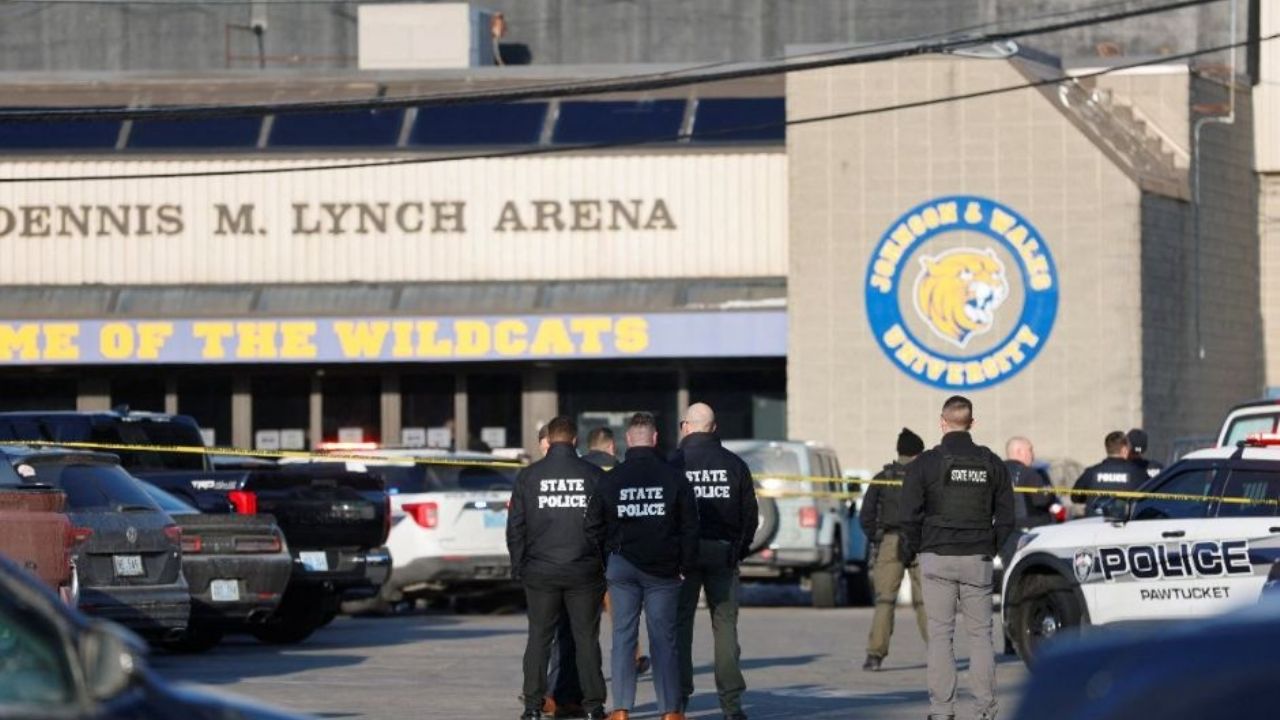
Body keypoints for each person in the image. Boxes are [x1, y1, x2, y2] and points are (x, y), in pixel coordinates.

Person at [899, 395, 1015, 720]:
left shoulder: (925, 463)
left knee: (940, 635)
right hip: (977, 556)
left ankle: (941, 712)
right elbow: (1007, 516)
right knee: (980, 637)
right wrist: (990, 545)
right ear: (972, 423)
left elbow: (907, 513)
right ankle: (985, 712)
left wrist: (920, 545)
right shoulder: (992, 462)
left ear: (942, 422)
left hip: (937, 556)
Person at [586, 412, 699, 720]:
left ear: (627, 441)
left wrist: (605, 559)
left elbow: (592, 525)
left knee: (623, 637)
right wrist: (685, 565)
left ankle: (621, 709)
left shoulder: (611, 479)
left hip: (621, 566)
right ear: (654, 438)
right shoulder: (674, 477)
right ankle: (670, 711)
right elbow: (690, 526)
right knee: (664, 639)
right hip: (664, 570)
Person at [508, 416, 608, 720]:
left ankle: (532, 707)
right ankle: (593, 707)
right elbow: (606, 526)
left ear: (548, 441)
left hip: (540, 571)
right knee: (586, 639)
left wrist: (519, 566)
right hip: (584, 571)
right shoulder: (593, 475)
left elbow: (516, 527)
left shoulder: (529, 476)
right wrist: (602, 564)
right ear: (575, 441)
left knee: (539, 638)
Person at [673, 402, 757, 720]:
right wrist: (739, 549)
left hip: (684, 556)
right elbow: (750, 514)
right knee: (725, 628)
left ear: (685, 427)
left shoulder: (675, 463)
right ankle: (731, 705)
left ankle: (678, 700)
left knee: (680, 626)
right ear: (714, 427)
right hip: (724, 553)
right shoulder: (734, 464)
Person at [858, 428, 928, 672]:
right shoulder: (925, 477)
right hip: (921, 542)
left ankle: (875, 656)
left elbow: (866, 516)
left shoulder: (883, 477)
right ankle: (940, 654)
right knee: (927, 602)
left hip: (891, 541)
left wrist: (878, 538)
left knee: (885, 601)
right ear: (917, 453)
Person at [533, 422, 585, 719]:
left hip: (561, 569)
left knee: (564, 637)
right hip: (557, 569)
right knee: (555, 636)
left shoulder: (533, 477)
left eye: (546, 442)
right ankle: (551, 695)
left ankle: (556, 696)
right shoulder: (533, 476)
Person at [1071, 431, 1147, 516]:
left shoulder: (1091, 472)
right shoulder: (1137, 473)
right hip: (1124, 526)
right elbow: (1150, 497)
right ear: (1124, 450)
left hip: (1093, 525)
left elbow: (1075, 497)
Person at [1004, 437, 1059, 529]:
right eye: (1030, 450)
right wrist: (1049, 493)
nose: (1033, 455)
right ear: (1019, 451)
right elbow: (1041, 501)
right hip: (1028, 529)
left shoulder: (993, 473)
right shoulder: (1028, 473)